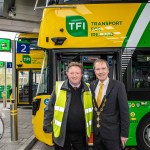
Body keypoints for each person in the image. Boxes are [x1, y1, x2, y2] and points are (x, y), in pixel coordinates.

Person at [43, 62, 93, 150]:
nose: (74, 76)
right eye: (71, 73)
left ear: (81, 74)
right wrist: (47, 125)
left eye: (77, 73)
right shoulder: (58, 87)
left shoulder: (88, 89)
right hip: (62, 135)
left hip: (81, 135)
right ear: (67, 74)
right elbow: (49, 108)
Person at [90, 59, 130, 150]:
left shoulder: (118, 85)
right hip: (97, 134)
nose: (101, 72)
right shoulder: (92, 85)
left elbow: (124, 111)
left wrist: (124, 134)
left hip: (113, 134)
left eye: (103, 68)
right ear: (94, 71)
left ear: (108, 70)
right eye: (98, 69)